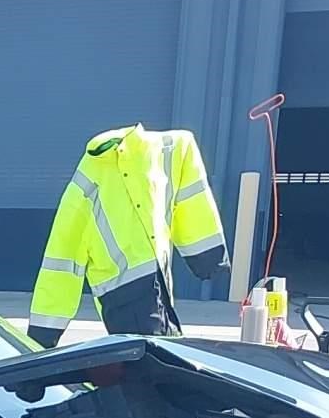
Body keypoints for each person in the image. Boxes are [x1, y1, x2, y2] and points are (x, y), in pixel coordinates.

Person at [27, 126, 228, 348]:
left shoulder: (172, 149)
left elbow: (61, 263)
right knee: (161, 359)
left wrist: (40, 340)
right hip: (136, 289)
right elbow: (194, 201)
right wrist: (208, 259)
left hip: (124, 295)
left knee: (151, 360)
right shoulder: (174, 148)